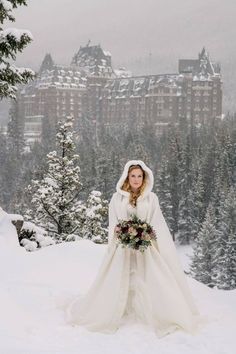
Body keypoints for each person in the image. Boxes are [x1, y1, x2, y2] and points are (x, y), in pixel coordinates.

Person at [66, 160, 200, 337]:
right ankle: (117, 311)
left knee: (151, 277)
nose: (136, 179)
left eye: (139, 176)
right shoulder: (117, 198)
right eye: (133, 176)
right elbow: (113, 222)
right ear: (127, 177)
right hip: (123, 247)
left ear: (144, 178)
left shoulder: (151, 198)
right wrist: (120, 237)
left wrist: (145, 236)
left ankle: (153, 313)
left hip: (146, 247)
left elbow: (156, 222)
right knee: (119, 276)